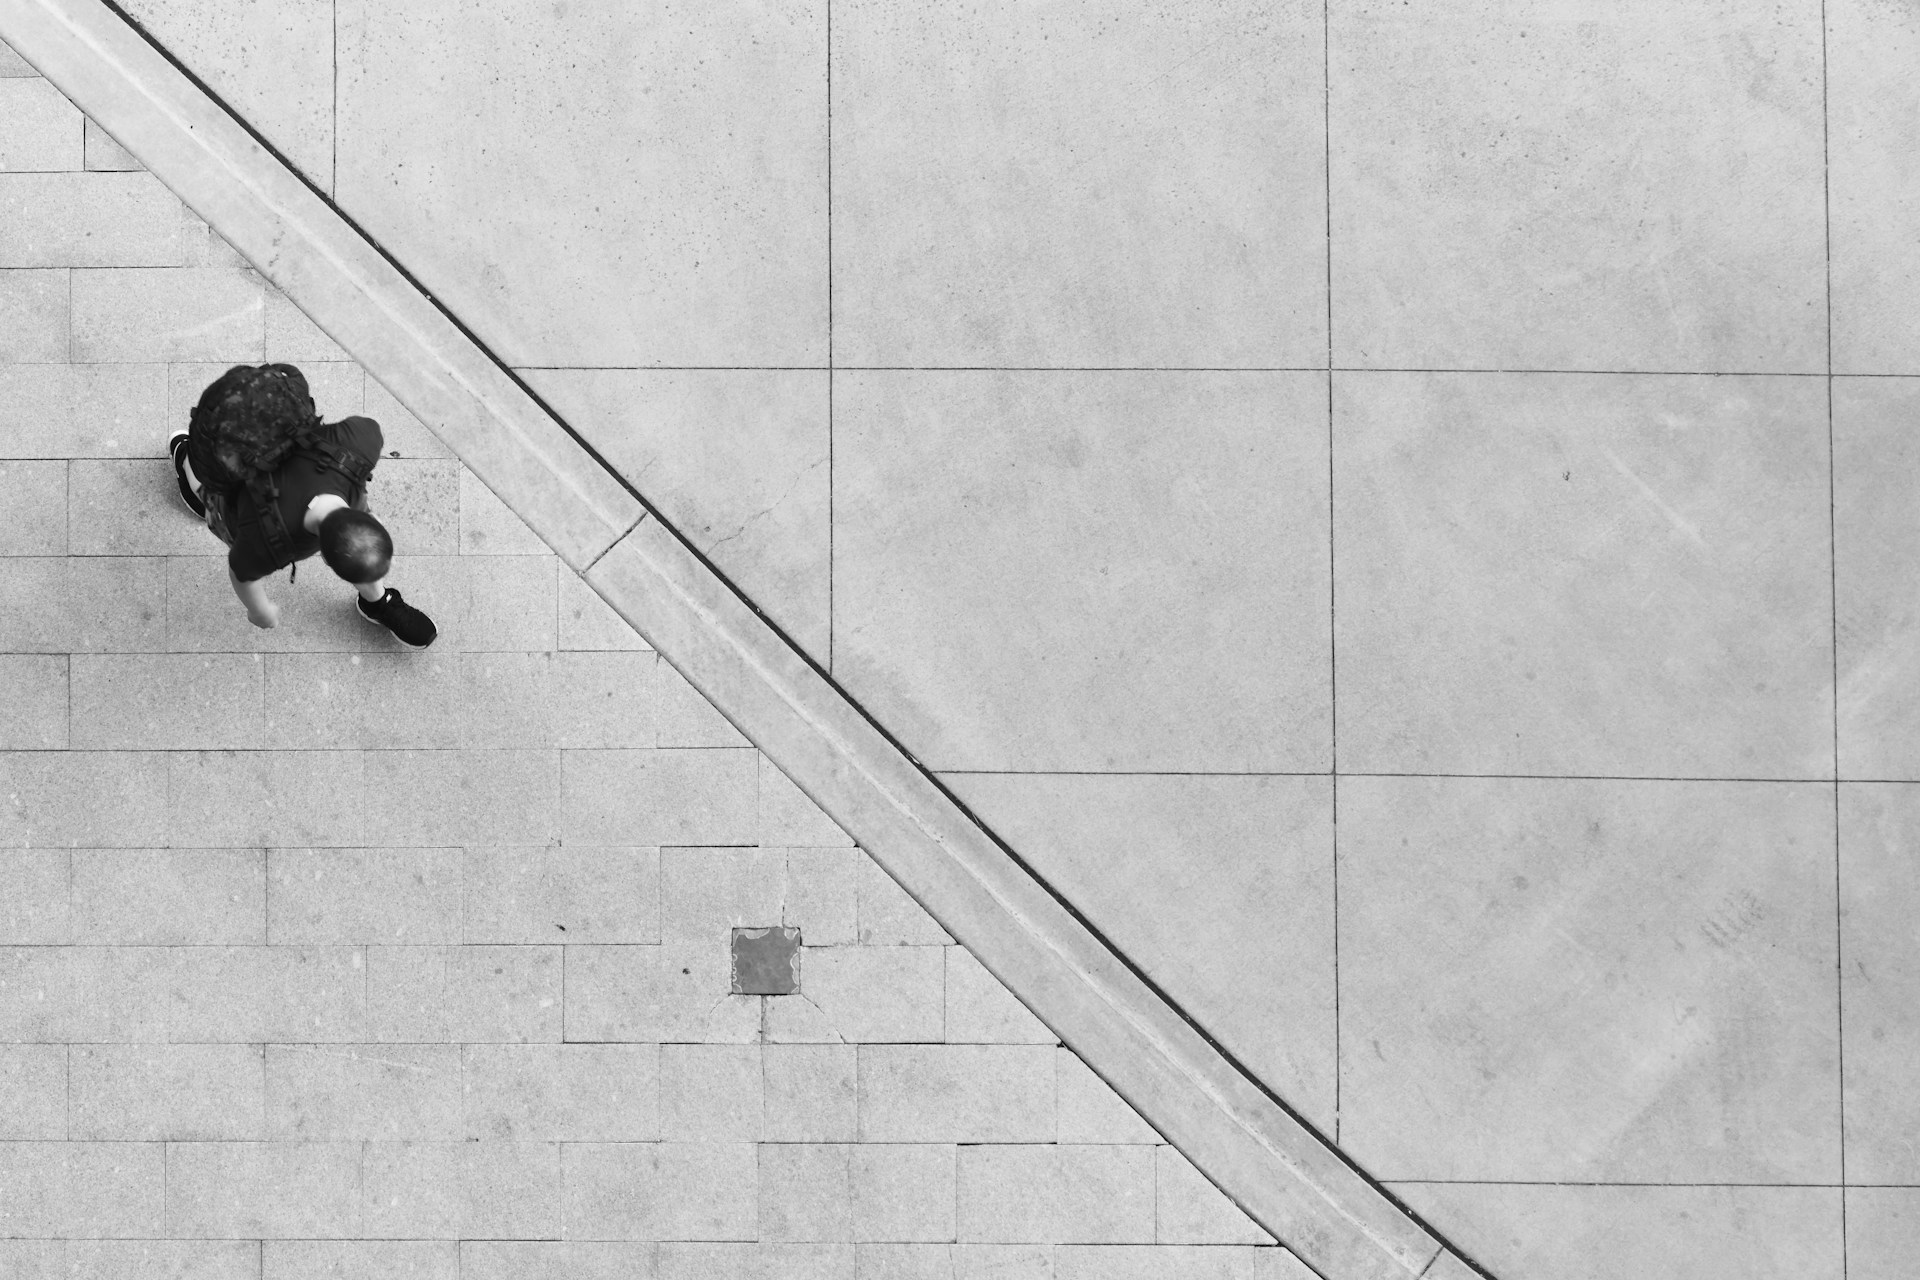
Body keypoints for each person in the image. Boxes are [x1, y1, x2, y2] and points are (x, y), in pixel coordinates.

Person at [167, 364, 438, 648]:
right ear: (323, 558)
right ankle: (184, 456)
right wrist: (259, 610)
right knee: (211, 494)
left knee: (357, 554)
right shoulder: (265, 540)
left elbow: (369, 424)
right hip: (238, 493)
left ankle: (377, 603)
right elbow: (239, 572)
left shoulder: (358, 445)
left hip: (263, 429)